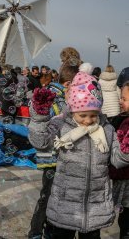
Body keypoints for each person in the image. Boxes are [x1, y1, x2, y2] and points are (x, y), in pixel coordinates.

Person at [28, 65, 129, 239]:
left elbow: (118, 160)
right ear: (73, 109)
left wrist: (126, 148)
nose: (88, 121)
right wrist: (39, 118)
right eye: (83, 116)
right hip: (65, 207)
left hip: (95, 209)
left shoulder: (107, 129)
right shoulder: (61, 125)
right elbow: (41, 143)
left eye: (93, 115)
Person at [28, 64, 79, 239]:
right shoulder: (51, 97)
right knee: (47, 197)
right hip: (51, 156)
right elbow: (43, 126)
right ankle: (35, 232)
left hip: (59, 157)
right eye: (76, 85)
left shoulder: (63, 96)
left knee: (54, 198)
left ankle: (49, 230)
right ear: (67, 84)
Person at [108, 81, 129, 239]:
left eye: (124, 99)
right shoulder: (122, 119)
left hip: (125, 180)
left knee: (126, 219)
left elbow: (119, 158)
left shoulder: (126, 123)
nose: (120, 101)